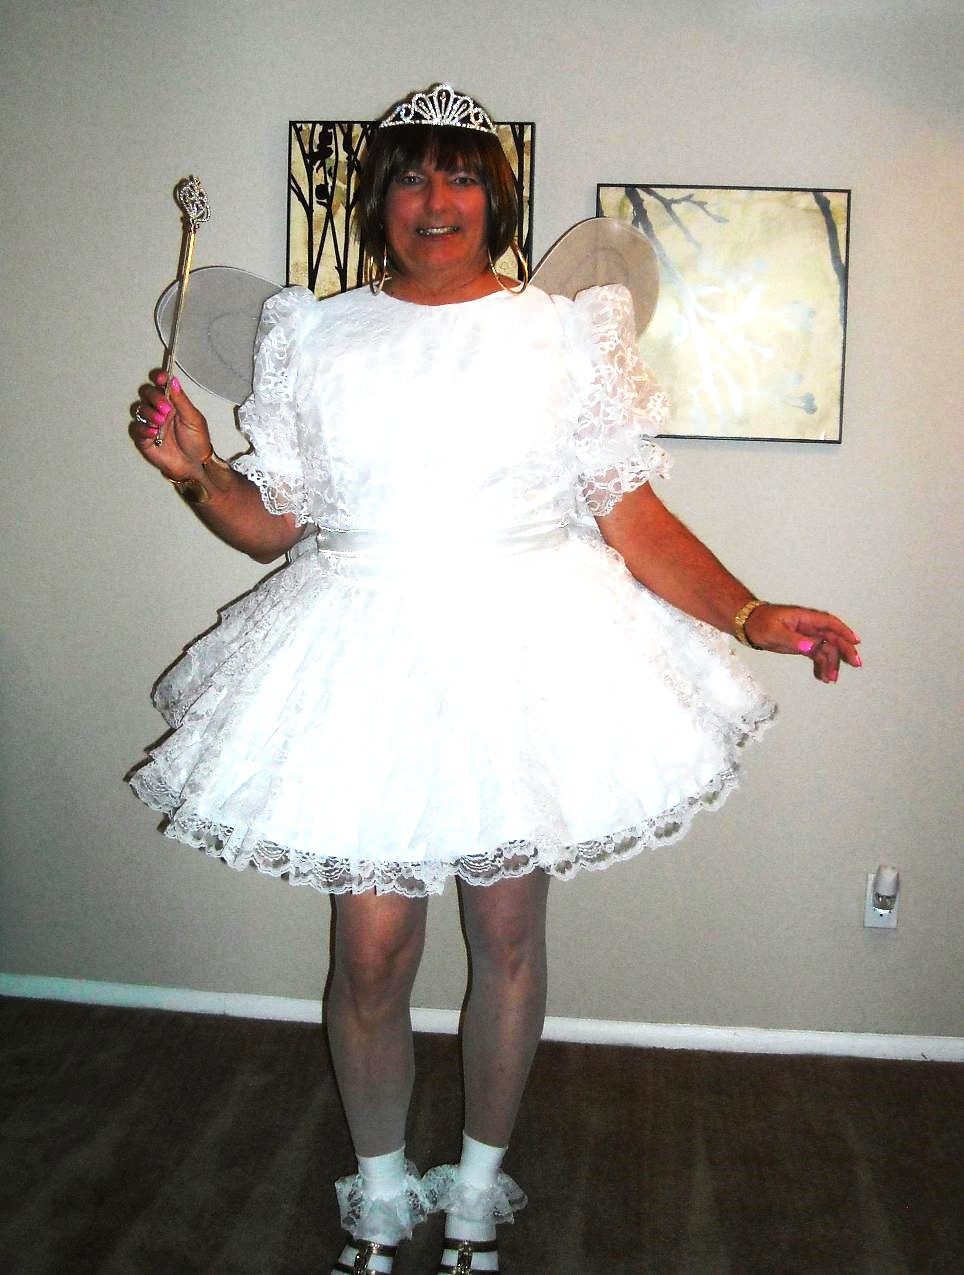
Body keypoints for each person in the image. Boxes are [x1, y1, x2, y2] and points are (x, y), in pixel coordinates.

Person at [128, 83, 861, 1275]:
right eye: (412, 176)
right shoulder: (313, 335)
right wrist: (197, 471)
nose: (437, 199)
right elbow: (273, 525)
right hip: (363, 652)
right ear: (377, 200)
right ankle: (380, 1196)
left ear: (495, 197)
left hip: (525, 650)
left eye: (461, 175)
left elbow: (628, 513)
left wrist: (747, 611)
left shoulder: (563, 332)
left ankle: (475, 1189)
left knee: (506, 937)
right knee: (371, 953)